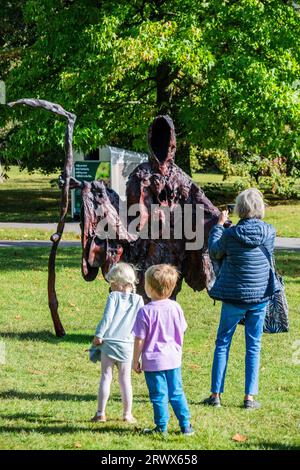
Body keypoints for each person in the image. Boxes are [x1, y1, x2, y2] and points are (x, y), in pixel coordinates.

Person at [203, 188, 276, 409]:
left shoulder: (230, 234)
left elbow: (215, 252)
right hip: (259, 296)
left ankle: (216, 395)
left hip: (233, 296)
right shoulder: (270, 232)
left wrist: (218, 226)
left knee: (222, 343)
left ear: (240, 209)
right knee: (253, 345)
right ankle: (249, 398)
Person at [132, 264, 194, 435]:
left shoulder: (145, 312)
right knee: (176, 392)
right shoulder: (176, 307)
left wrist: (135, 359)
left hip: (153, 361)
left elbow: (139, 339)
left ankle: (161, 427)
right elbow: (182, 329)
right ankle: (186, 425)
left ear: (149, 288)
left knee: (159, 395)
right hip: (173, 358)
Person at [90, 262, 144, 423]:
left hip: (109, 343)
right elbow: (141, 325)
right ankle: (127, 414)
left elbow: (107, 318)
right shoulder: (139, 300)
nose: (111, 287)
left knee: (106, 376)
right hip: (127, 345)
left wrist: (98, 335)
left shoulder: (113, 297)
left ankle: (100, 413)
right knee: (125, 380)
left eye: (112, 283)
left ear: (120, 284)